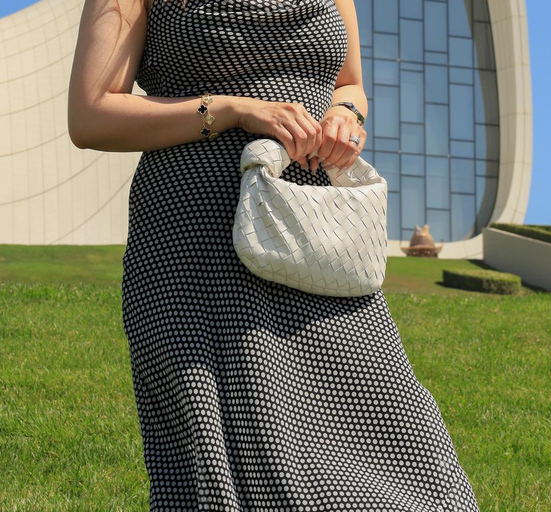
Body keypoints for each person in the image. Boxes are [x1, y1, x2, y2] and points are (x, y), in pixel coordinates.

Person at [67, 0, 481, 510]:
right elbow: (90, 115)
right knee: (241, 465)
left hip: (315, 233)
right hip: (198, 241)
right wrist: (233, 109)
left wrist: (345, 116)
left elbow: (349, 84)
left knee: (406, 452)